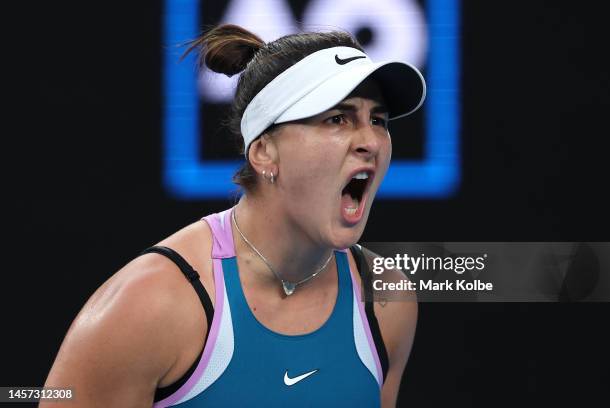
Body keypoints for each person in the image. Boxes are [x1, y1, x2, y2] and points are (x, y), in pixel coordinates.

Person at [42, 23, 425, 407]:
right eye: (337, 119)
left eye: (378, 120)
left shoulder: (388, 299)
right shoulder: (151, 304)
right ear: (263, 153)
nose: (371, 142)